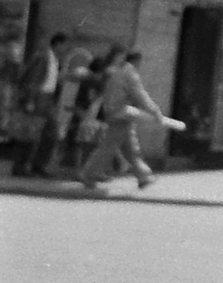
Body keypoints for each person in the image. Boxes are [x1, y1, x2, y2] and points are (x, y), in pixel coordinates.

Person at [79, 49, 164, 190]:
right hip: (121, 114)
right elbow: (140, 95)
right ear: (137, 60)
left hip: (117, 113)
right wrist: (155, 111)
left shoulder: (118, 72)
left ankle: (144, 176)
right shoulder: (130, 74)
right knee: (108, 147)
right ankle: (88, 174)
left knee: (130, 148)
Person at [12, 30, 69, 177]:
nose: (67, 49)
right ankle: (20, 167)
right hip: (38, 99)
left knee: (51, 133)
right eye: (65, 45)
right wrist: (30, 100)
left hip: (48, 100)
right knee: (29, 134)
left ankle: (39, 165)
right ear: (58, 44)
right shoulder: (43, 57)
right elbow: (33, 80)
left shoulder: (55, 60)